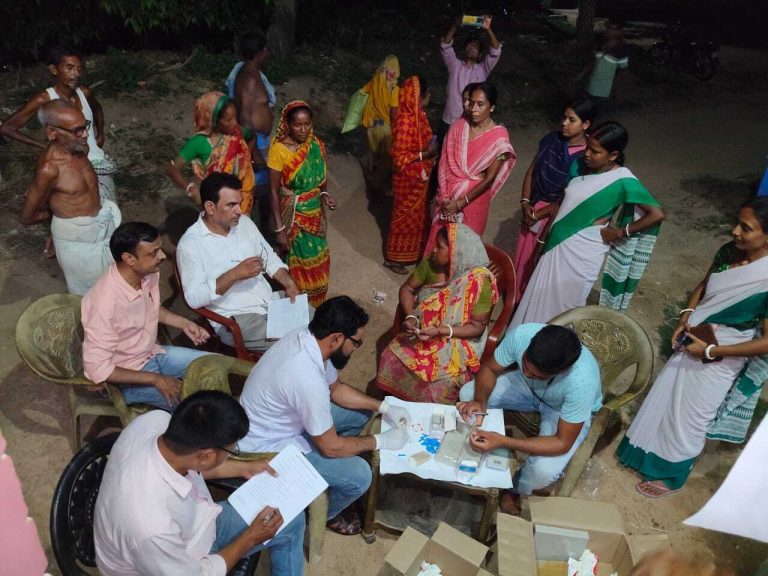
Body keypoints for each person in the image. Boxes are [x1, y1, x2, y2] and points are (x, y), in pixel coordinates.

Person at [617, 198, 768, 497]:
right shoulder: (728, 251)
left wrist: (711, 352)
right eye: (737, 222)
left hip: (723, 354)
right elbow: (703, 285)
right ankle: (644, 454)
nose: (735, 231)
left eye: (746, 228)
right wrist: (684, 318)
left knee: (693, 415)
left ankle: (672, 475)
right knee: (668, 398)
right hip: (694, 334)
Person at [239, 296, 410, 535]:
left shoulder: (309, 338)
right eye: (356, 343)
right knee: (360, 477)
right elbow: (330, 447)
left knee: (361, 413)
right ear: (337, 338)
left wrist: (383, 407)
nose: (355, 350)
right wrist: (380, 441)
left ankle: (325, 474)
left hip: (279, 419)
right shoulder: (307, 378)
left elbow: (336, 389)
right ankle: (323, 515)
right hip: (268, 446)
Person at [94, 390, 305, 576]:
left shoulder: (154, 422)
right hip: (171, 562)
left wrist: (244, 467)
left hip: (197, 525)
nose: (233, 454)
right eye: (232, 450)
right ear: (205, 456)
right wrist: (250, 538)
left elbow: (191, 464)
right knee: (274, 524)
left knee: (290, 517)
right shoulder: (151, 526)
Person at [511, 121, 665, 329]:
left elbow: (657, 214)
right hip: (557, 244)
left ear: (613, 155)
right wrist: (540, 227)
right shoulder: (579, 167)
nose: (587, 154)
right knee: (539, 294)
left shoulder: (622, 180)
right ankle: (524, 345)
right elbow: (563, 203)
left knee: (566, 307)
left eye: (595, 151)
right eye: (587, 148)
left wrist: (621, 232)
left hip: (584, 252)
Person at [457, 323, 602, 511]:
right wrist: (480, 402)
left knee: (543, 472)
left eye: (537, 375)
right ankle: (486, 462)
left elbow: (561, 442)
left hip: (560, 408)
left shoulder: (581, 382)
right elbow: (490, 369)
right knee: (468, 394)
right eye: (524, 364)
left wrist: (504, 441)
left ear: (561, 372)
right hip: (526, 388)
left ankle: (513, 489)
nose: (526, 372)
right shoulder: (522, 335)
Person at [81, 222, 212, 410]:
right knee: (196, 409)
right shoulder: (104, 303)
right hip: (124, 378)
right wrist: (156, 379)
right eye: (154, 252)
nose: (163, 256)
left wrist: (183, 323)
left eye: (160, 249)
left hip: (151, 354)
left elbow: (150, 308)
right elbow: (98, 369)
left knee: (216, 366)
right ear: (129, 259)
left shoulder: (147, 273)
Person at [177, 172, 301, 353]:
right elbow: (194, 298)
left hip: (271, 305)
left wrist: (289, 283)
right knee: (299, 343)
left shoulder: (244, 223)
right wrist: (234, 275)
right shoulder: (190, 246)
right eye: (231, 205)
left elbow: (268, 256)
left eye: (239, 203)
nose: (239, 210)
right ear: (210, 207)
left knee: (321, 326)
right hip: (236, 319)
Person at [377, 223, 499, 403]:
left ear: (456, 253)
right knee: (391, 355)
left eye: (440, 247)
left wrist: (441, 330)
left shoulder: (479, 283)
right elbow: (408, 289)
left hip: (458, 337)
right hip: (425, 329)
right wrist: (410, 316)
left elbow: (476, 328)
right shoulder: (430, 263)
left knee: (442, 383)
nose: (433, 250)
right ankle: (393, 403)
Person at [20, 100, 121, 295]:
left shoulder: (80, 148)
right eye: (77, 130)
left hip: (100, 227)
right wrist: (59, 222)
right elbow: (26, 217)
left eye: (85, 127)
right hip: (77, 242)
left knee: (114, 285)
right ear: (52, 133)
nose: (85, 135)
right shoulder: (49, 168)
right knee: (93, 297)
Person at [0, 46, 117, 204]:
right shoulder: (45, 99)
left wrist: (100, 134)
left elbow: (98, 109)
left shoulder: (85, 92)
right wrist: (42, 146)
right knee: (81, 212)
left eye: (79, 69)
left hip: (95, 161)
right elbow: (7, 128)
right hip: (67, 167)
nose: (75, 74)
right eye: (69, 68)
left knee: (107, 209)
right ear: (54, 70)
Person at [513, 99, 596, 295]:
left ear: (586, 125)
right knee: (522, 255)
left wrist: (542, 213)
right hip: (533, 208)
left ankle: (527, 299)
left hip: (555, 215)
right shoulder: (552, 140)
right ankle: (514, 294)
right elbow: (533, 169)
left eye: (572, 120)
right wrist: (525, 203)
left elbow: (572, 196)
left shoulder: (587, 157)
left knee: (539, 260)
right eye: (564, 118)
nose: (564, 123)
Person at [425, 82, 515, 253]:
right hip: (447, 196)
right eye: (472, 103)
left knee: (464, 248)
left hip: (473, 201)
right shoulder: (458, 126)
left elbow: (489, 178)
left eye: (480, 104)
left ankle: (459, 281)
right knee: (439, 244)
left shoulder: (499, 139)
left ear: (492, 107)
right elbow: (444, 162)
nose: (474, 108)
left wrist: (459, 203)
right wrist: (445, 198)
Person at [267, 101, 337, 307]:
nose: (303, 129)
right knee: (299, 267)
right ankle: (299, 310)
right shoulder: (278, 150)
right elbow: (272, 190)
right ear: (287, 124)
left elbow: (321, 180)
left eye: (307, 124)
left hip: (315, 216)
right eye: (298, 125)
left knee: (321, 263)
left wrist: (324, 194)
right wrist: (279, 229)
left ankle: (315, 307)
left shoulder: (316, 144)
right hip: (294, 220)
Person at [166, 91, 255, 215]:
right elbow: (172, 168)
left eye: (235, 117)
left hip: (243, 198)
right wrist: (190, 188)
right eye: (228, 119)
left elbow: (252, 137)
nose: (235, 123)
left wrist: (245, 162)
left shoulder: (236, 132)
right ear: (213, 121)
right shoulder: (199, 143)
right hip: (217, 205)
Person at [383, 75, 438, 274]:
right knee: (402, 219)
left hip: (419, 179)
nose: (429, 97)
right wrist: (426, 154)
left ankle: (413, 253)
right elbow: (398, 159)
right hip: (407, 180)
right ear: (420, 96)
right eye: (426, 94)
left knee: (417, 218)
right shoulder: (406, 121)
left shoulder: (419, 116)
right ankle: (393, 259)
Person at [226, 30, 276, 232]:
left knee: (263, 191)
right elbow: (245, 117)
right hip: (255, 142)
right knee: (258, 192)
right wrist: (253, 151)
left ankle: (261, 234)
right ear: (261, 52)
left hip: (259, 140)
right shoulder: (249, 78)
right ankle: (257, 235)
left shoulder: (252, 74)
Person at [439, 16, 502, 134]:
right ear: (464, 49)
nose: (471, 48)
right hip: (450, 119)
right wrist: (455, 26)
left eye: (475, 46)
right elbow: (445, 46)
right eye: (469, 45)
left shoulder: (483, 69)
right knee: (443, 150)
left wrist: (488, 29)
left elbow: (496, 51)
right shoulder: (454, 65)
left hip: (470, 122)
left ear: (480, 54)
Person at [359, 55, 400, 197]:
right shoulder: (394, 89)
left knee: (372, 153)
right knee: (386, 158)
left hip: (372, 125)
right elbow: (394, 112)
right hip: (385, 128)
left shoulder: (375, 81)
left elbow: (363, 92)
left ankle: (370, 176)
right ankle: (378, 186)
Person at [580, 21, 629, 112]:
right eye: (608, 28)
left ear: (620, 32)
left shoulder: (621, 49)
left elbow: (623, 72)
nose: (609, 31)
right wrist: (581, 76)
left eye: (613, 29)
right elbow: (593, 62)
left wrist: (619, 91)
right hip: (591, 85)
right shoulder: (600, 44)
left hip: (604, 90)